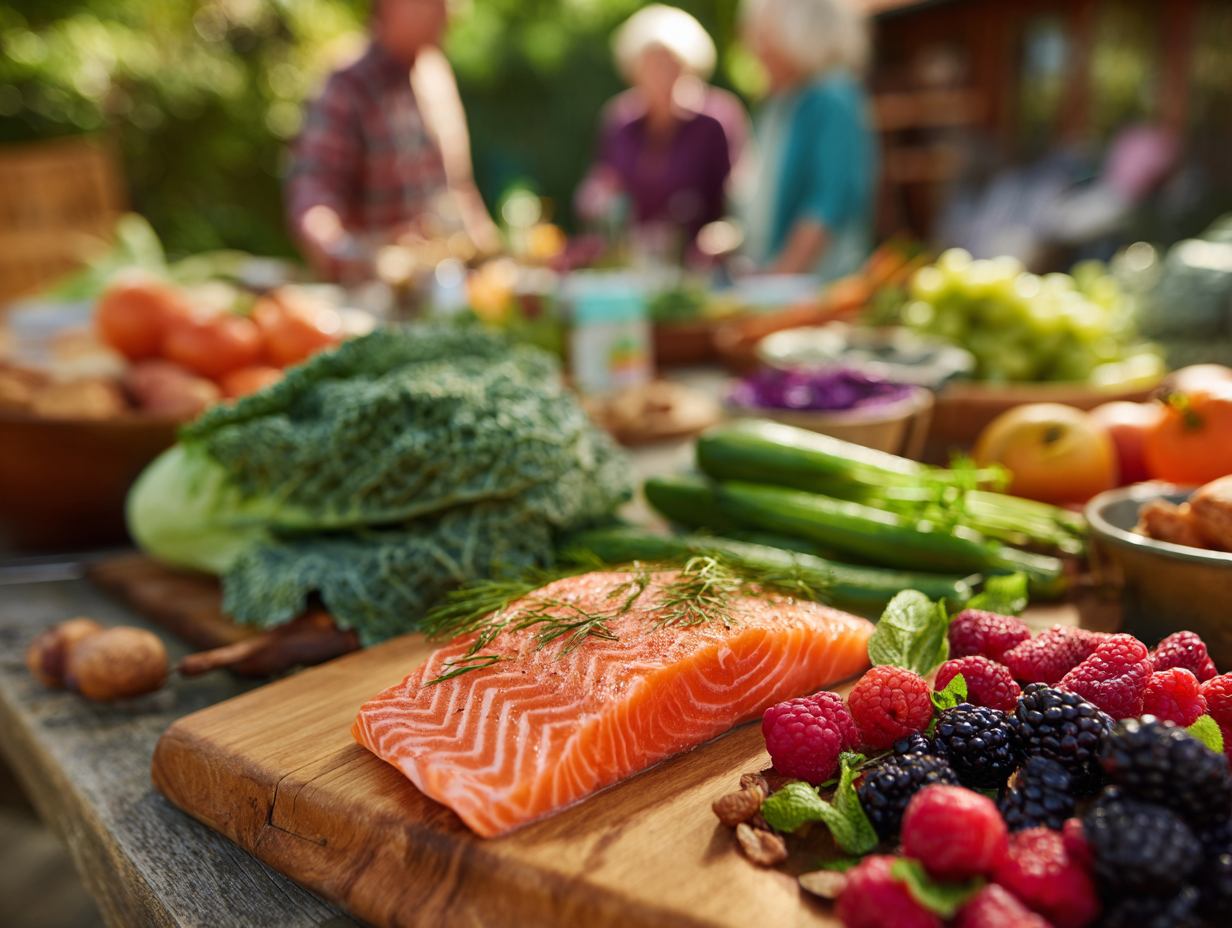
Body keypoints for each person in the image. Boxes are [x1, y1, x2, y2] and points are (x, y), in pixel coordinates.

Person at [286, 0, 500, 281]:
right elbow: (314, 200)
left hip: (443, 293)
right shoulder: (347, 85)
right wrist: (361, 259)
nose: (455, 12)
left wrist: (496, 261)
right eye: (440, 3)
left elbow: (459, 193)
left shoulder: (435, 76)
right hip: (372, 300)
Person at [576, 5, 748, 254]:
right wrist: (593, 200)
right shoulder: (621, 118)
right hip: (634, 257)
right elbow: (600, 183)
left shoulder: (717, 118)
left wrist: (723, 236)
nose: (661, 75)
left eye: (671, 64)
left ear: (691, 67)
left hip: (700, 260)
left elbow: (740, 197)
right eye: (651, 65)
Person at [739, 0, 877, 278]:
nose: (755, 50)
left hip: (821, 286)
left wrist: (779, 275)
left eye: (765, 37)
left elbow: (829, 201)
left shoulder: (831, 96)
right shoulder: (780, 103)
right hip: (782, 286)